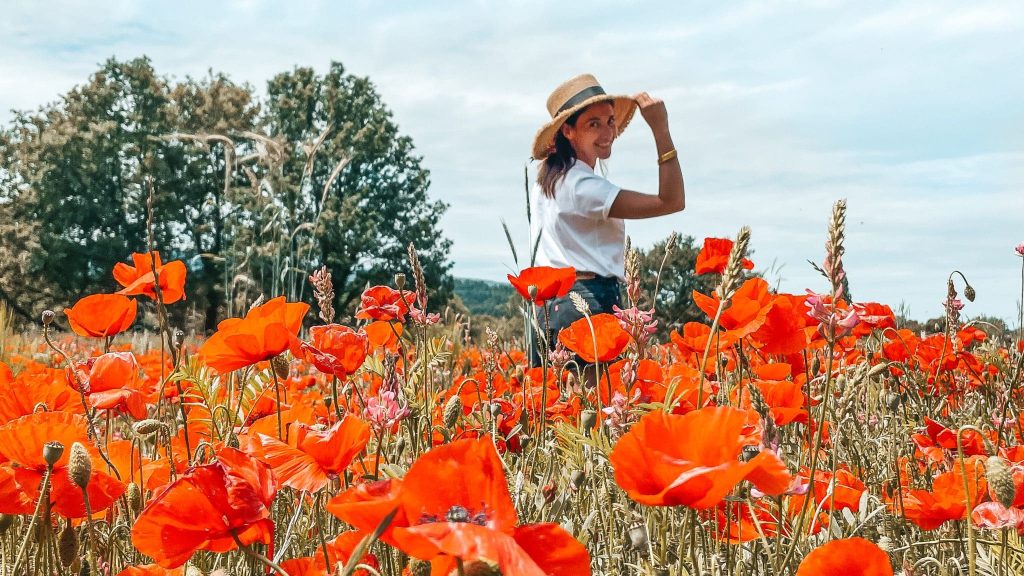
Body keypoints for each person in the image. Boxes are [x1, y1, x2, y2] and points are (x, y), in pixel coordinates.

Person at [529, 73, 685, 367]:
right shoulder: (584, 187)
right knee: (595, 408)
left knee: (555, 409)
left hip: (547, 308)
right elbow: (672, 201)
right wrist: (661, 130)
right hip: (585, 304)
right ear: (568, 131)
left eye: (610, 121)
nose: (607, 132)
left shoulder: (547, 180)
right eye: (593, 124)